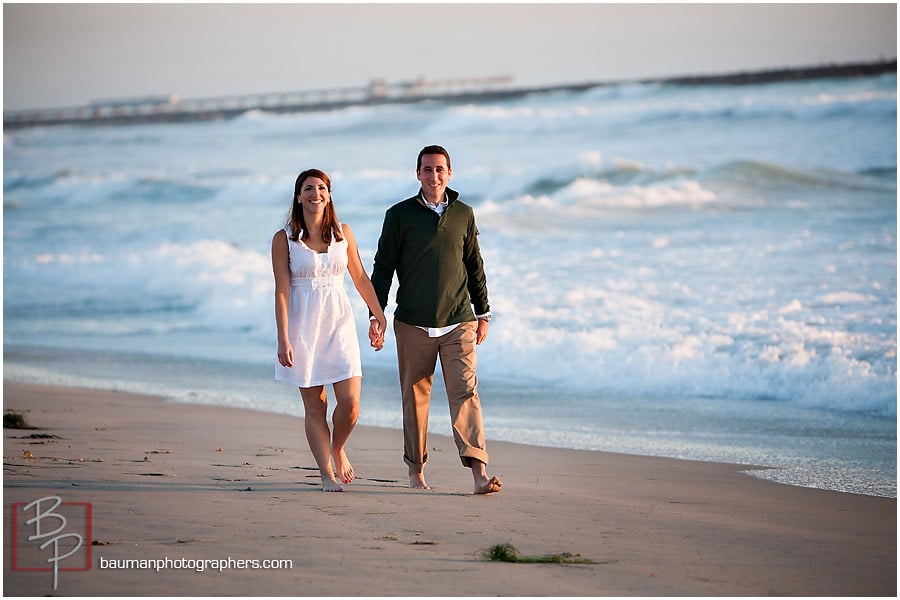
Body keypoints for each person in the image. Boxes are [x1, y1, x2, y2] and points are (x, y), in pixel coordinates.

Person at [371, 145, 502, 495]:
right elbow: (383, 268)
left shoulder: (464, 214)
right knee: (415, 399)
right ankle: (416, 472)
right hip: (412, 322)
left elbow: (475, 264)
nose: (434, 176)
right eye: (427, 170)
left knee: (466, 392)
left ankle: (479, 474)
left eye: (440, 169)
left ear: (450, 173)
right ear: (418, 174)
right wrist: (376, 313)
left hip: (459, 320)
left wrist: (483, 312)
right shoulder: (398, 215)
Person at [272, 168, 387, 492]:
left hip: (339, 324)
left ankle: (337, 449)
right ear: (298, 196)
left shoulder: (343, 233)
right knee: (316, 406)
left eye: (321, 188)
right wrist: (283, 338)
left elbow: (361, 278)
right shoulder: (284, 239)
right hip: (302, 328)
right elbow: (282, 291)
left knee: (350, 405)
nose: (315, 194)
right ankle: (326, 473)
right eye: (308, 188)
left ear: (329, 194)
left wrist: (378, 316)